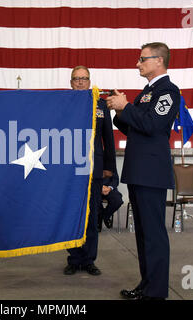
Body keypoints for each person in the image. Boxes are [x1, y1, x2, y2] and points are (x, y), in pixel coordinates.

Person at [106, 42, 180, 300]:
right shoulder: (146, 93)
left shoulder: (168, 91)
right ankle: (147, 285)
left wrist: (127, 108)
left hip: (152, 172)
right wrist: (119, 109)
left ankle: (156, 292)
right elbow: (134, 128)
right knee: (143, 234)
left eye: (142, 59)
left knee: (154, 234)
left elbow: (153, 126)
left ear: (159, 60)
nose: (138, 63)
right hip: (139, 170)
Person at [64, 66, 116, 276]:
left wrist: (109, 172)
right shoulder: (63, 104)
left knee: (92, 217)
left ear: (89, 81)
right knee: (71, 216)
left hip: (94, 170)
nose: (80, 82)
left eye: (84, 78)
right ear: (71, 82)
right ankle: (74, 259)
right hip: (69, 170)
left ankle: (89, 260)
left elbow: (109, 141)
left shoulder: (100, 104)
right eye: (76, 79)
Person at [97, 165, 123, 232]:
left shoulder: (110, 162)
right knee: (95, 200)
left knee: (117, 200)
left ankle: (104, 217)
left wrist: (109, 188)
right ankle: (98, 222)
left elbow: (115, 179)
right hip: (95, 187)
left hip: (109, 188)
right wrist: (100, 187)